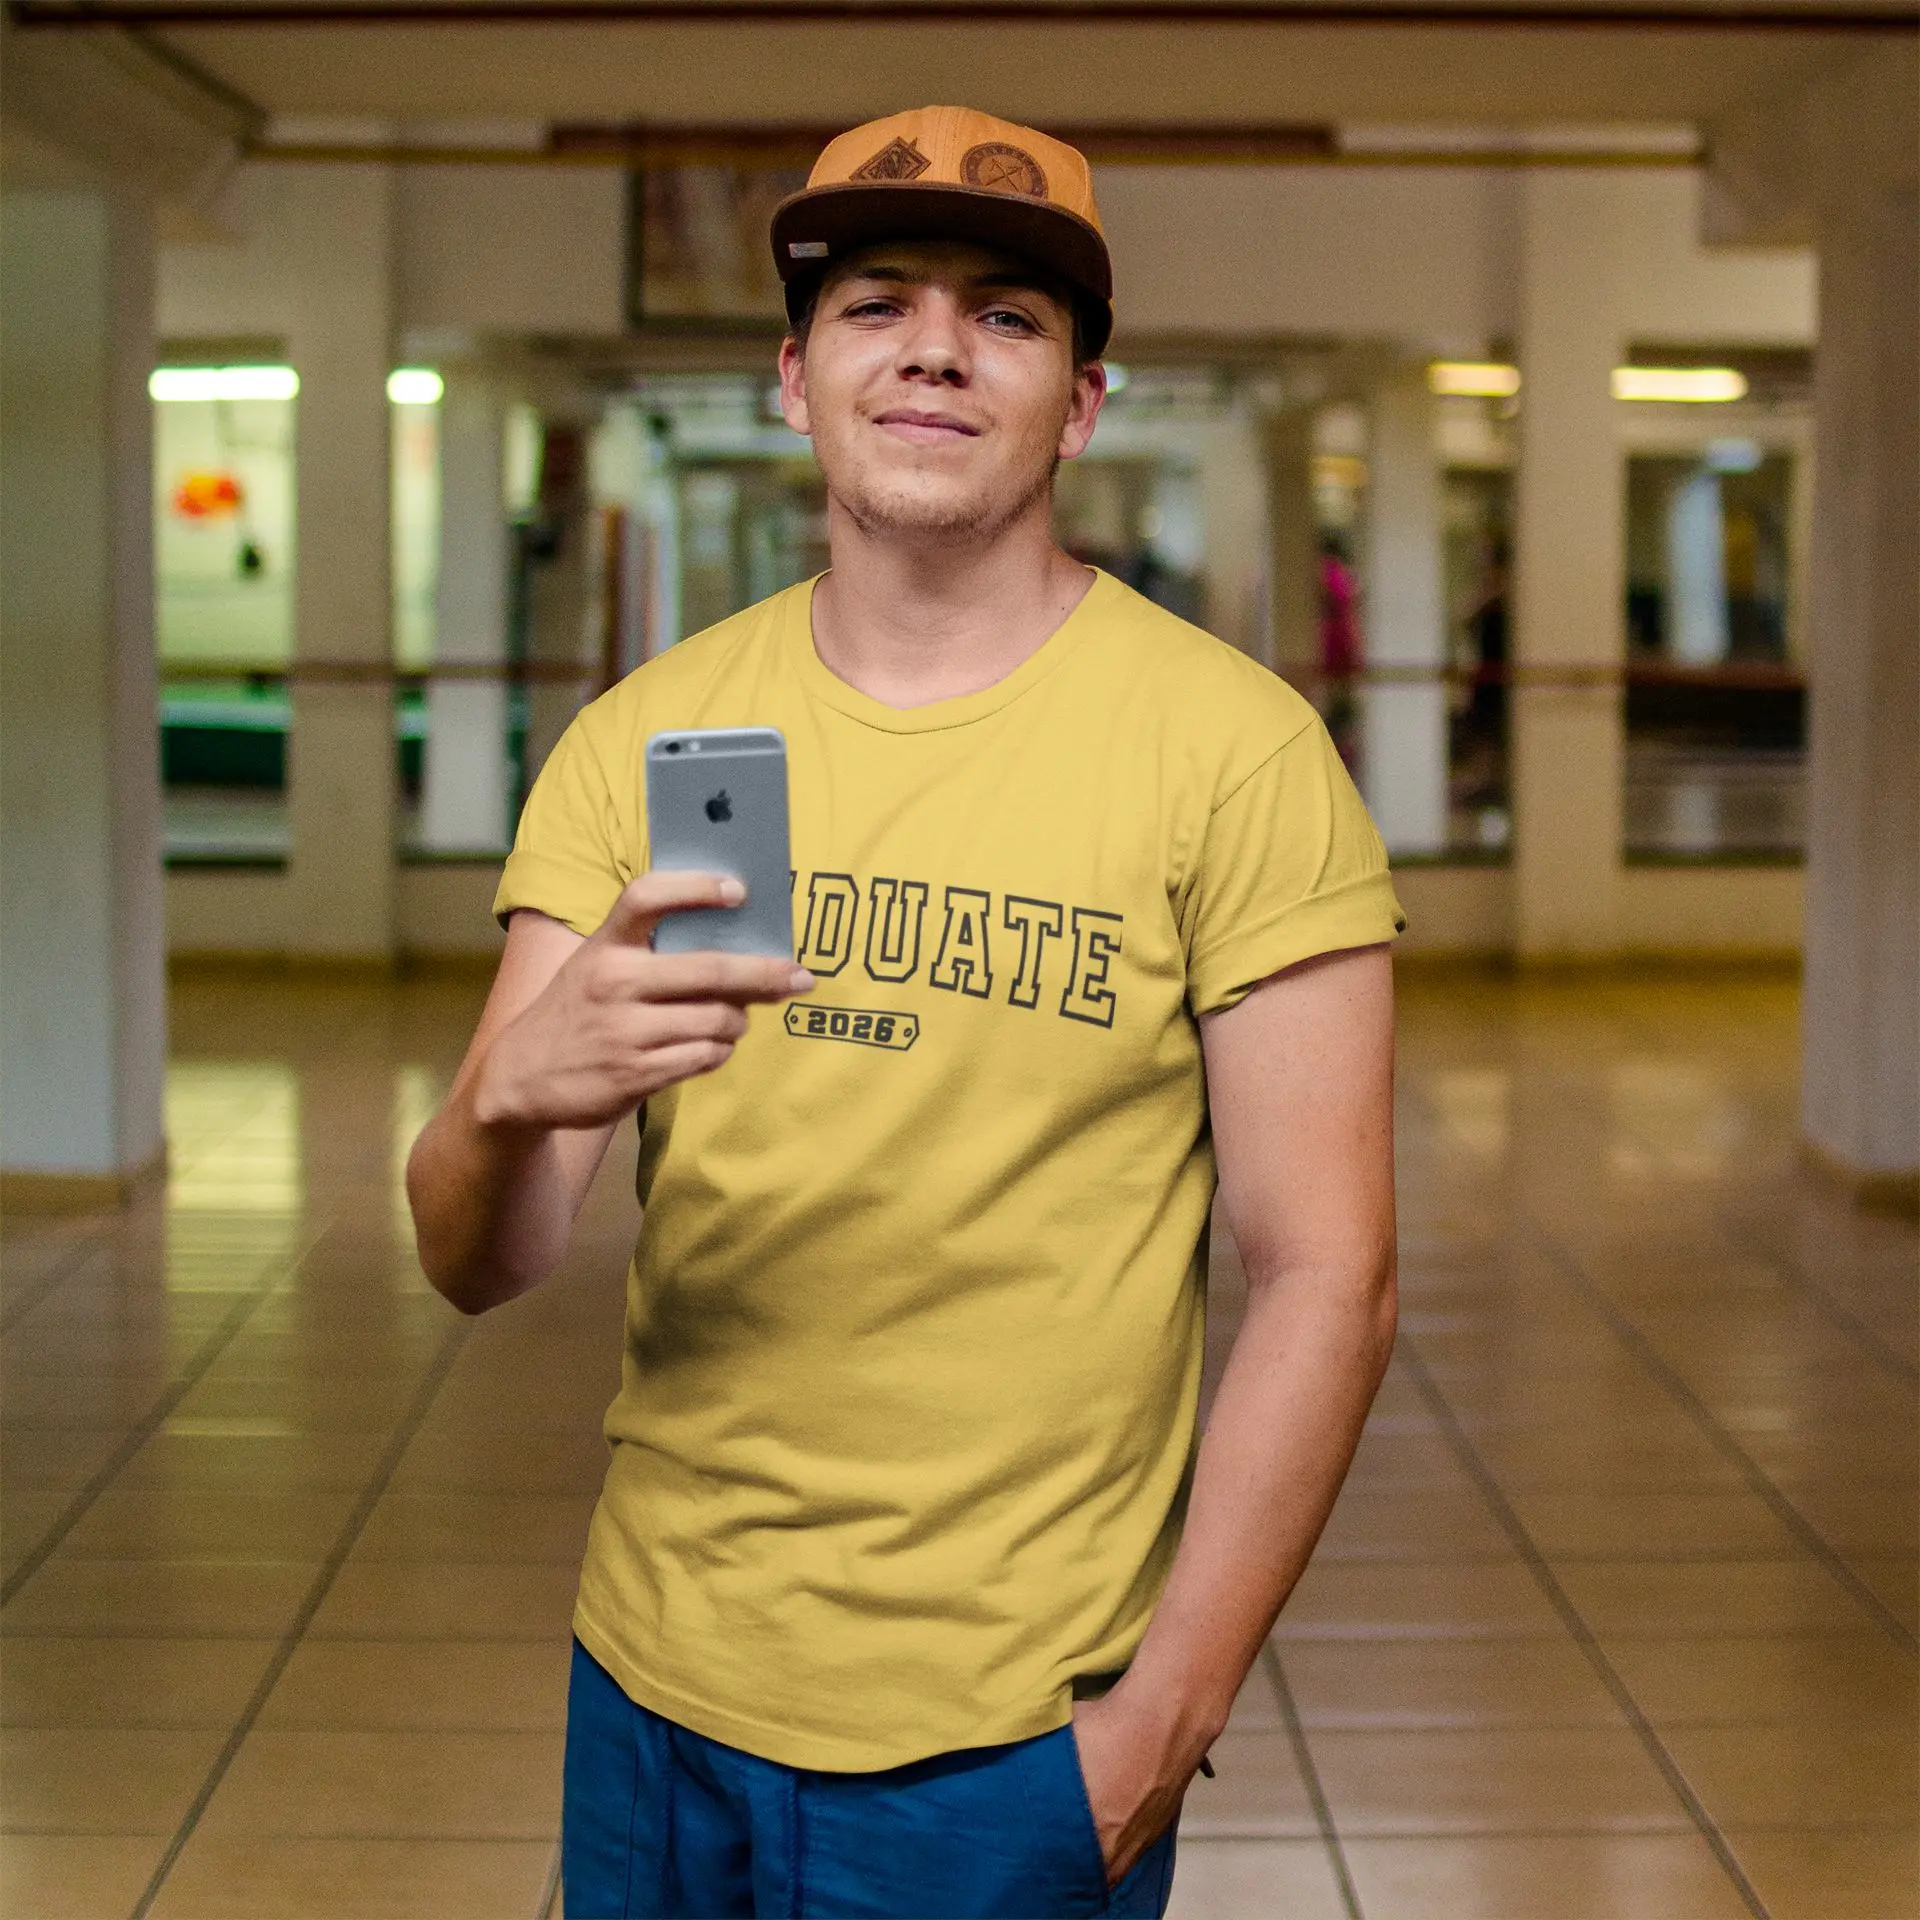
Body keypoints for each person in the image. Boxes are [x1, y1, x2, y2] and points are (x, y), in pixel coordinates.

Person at [408, 105, 1404, 1920]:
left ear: (1079, 405)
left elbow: (1329, 1272)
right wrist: (503, 1104)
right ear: (797, 379)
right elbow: (480, 1259)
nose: (936, 348)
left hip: (1013, 1743)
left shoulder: (1238, 755)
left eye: (1005, 316)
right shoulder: (645, 741)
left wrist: (1161, 1725)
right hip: (651, 1692)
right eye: (877, 303)